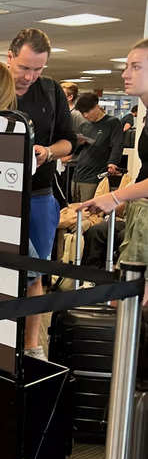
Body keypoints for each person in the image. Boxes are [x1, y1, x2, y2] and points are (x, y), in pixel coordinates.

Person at [8, 28, 77, 360]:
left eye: (37, 69)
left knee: (34, 275)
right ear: (9, 57)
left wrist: (48, 152)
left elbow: (69, 141)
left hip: (38, 195)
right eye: (24, 68)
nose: (30, 76)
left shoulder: (50, 91)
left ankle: (31, 347)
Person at [82, 38, 148, 307]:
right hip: (140, 215)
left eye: (136, 67)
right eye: (126, 66)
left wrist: (116, 197)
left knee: (132, 304)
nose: (125, 73)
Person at [71, 92, 123, 202]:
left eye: (87, 112)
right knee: (75, 210)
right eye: (82, 113)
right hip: (78, 174)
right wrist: (77, 143)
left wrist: (113, 163)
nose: (85, 115)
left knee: (90, 212)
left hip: (95, 176)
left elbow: (117, 145)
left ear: (96, 107)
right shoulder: (84, 125)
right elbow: (77, 151)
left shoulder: (112, 123)